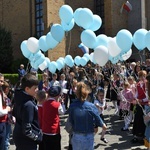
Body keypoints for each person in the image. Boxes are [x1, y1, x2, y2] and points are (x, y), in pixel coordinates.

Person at [68, 82, 107, 150]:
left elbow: (71, 120)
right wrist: (102, 125)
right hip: (88, 135)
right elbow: (98, 119)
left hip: (76, 135)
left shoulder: (72, 106)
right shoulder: (91, 106)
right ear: (86, 93)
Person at [12, 73, 43, 150]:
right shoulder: (28, 105)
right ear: (27, 89)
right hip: (27, 141)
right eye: (35, 88)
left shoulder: (19, 98)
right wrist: (37, 138)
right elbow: (27, 129)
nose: (37, 90)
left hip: (19, 136)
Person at [42, 86, 65, 150]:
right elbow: (62, 112)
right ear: (57, 95)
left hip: (45, 130)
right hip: (54, 131)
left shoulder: (44, 103)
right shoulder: (57, 104)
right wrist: (61, 102)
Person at [0, 73, 11, 150]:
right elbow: (0, 112)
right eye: (0, 81)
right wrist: (7, 109)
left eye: (2, 81)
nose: (2, 83)